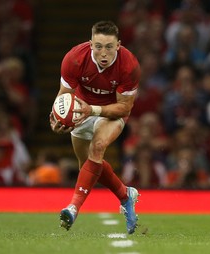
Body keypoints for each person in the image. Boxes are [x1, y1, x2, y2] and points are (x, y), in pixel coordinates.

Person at [49, 21, 141, 234]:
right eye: (98, 46)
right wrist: (55, 117)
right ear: (90, 44)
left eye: (109, 46)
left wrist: (94, 110)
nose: (103, 52)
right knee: (89, 167)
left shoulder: (129, 65)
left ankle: (73, 207)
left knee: (97, 147)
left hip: (110, 112)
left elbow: (124, 108)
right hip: (82, 109)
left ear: (118, 45)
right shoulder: (73, 58)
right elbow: (64, 95)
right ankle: (126, 195)